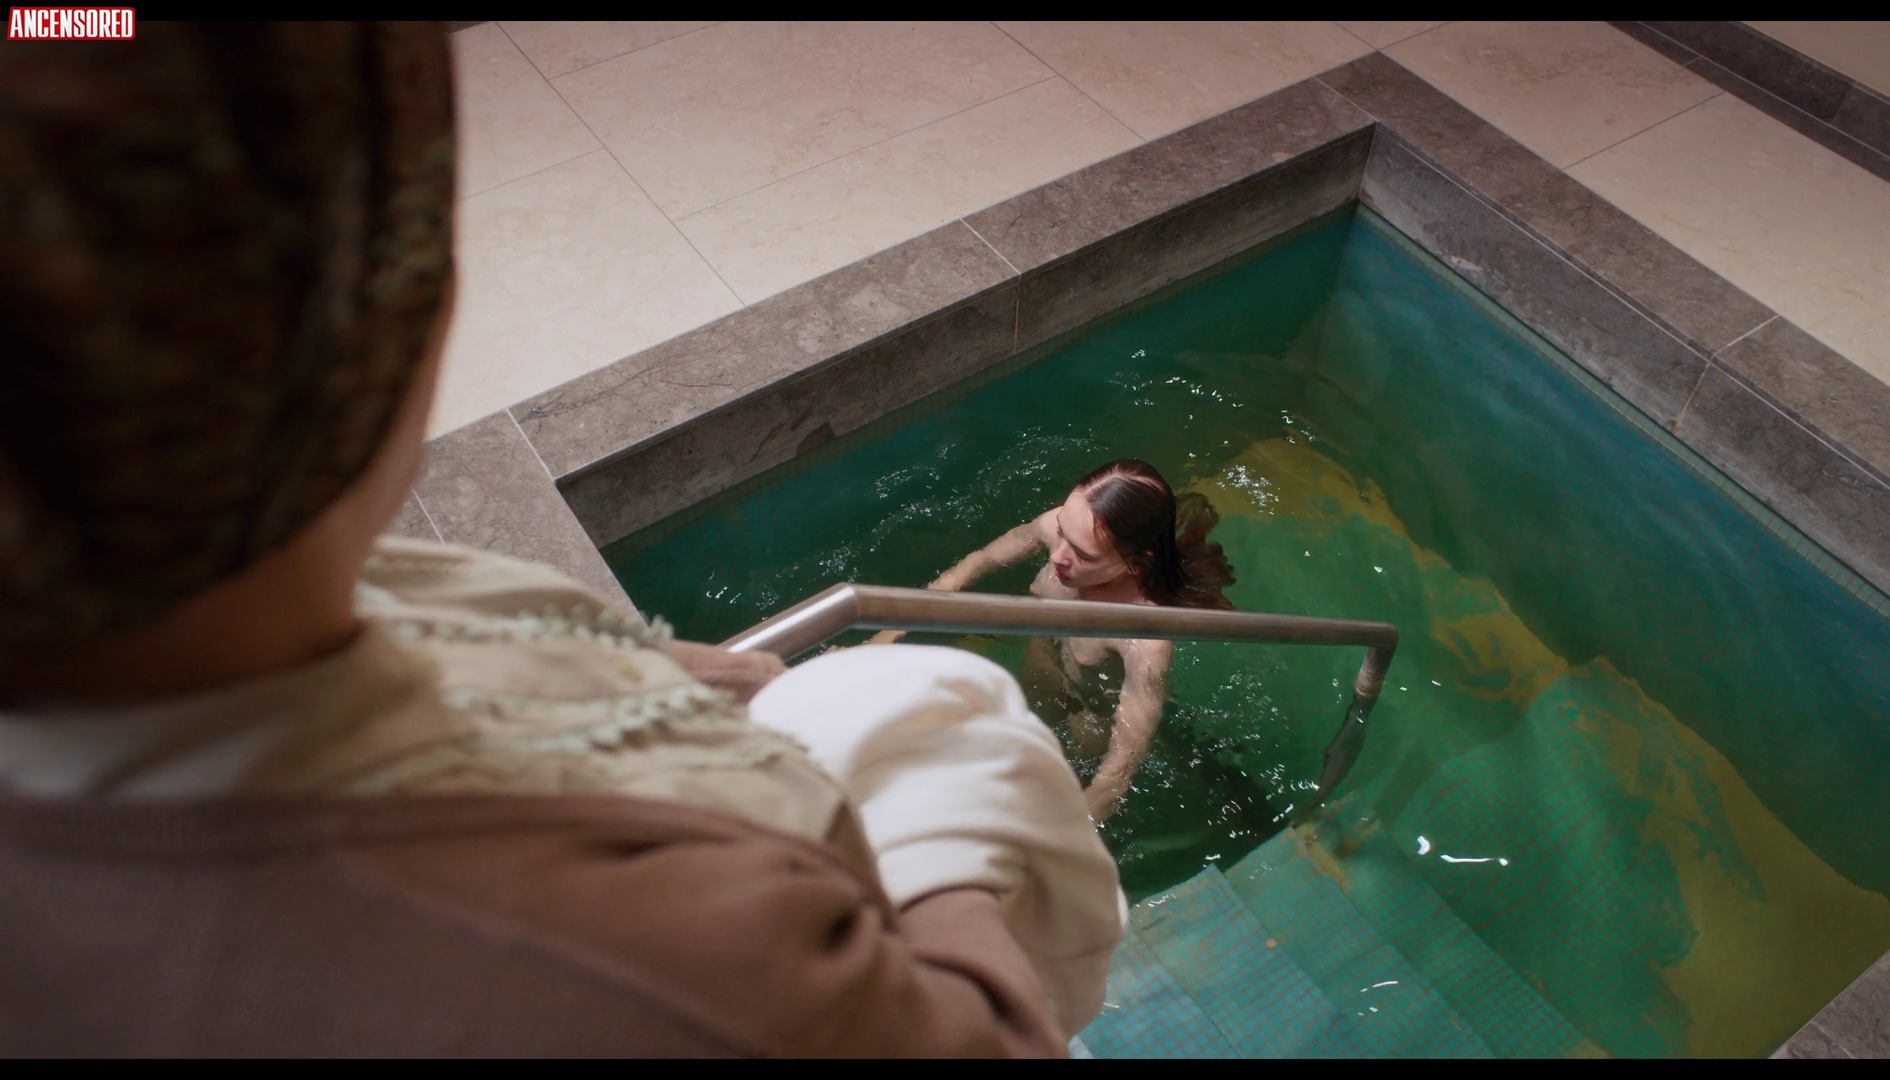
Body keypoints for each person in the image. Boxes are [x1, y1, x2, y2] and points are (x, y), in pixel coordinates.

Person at [0, 22, 1120, 1056]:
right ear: (396, 320)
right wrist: (928, 755)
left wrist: (660, 674)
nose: (1063, 553)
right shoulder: (648, 959)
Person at [872, 460, 1235, 822]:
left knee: (1054, 776)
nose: (1057, 554)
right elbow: (977, 563)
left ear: (1135, 565)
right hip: (1041, 663)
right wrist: (889, 632)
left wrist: (1075, 827)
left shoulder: (1141, 637)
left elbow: (1119, 770)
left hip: (1089, 709)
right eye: (1062, 530)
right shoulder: (1059, 530)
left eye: (1083, 555)